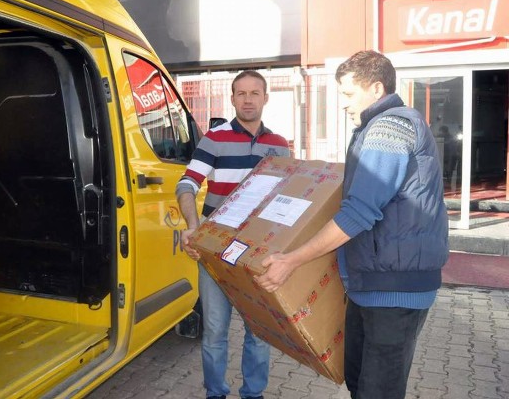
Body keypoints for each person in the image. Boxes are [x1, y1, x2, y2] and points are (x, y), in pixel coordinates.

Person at [256, 50, 448, 399]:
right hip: (371, 284)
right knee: (359, 382)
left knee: (377, 391)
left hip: (396, 289)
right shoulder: (372, 128)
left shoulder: (389, 127)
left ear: (376, 88)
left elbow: (359, 211)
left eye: (348, 93)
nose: (343, 103)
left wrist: (292, 260)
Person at [175, 70, 291, 399]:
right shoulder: (215, 138)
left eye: (255, 93)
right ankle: (216, 393)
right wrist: (193, 225)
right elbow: (187, 184)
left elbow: (288, 196)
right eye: (241, 93)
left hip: (259, 251)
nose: (248, 99)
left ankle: (253, 394)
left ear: (266, 98)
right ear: (232, 98)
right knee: (214, 330)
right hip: (215, 248)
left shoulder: (279, 146)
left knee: (260, 331)